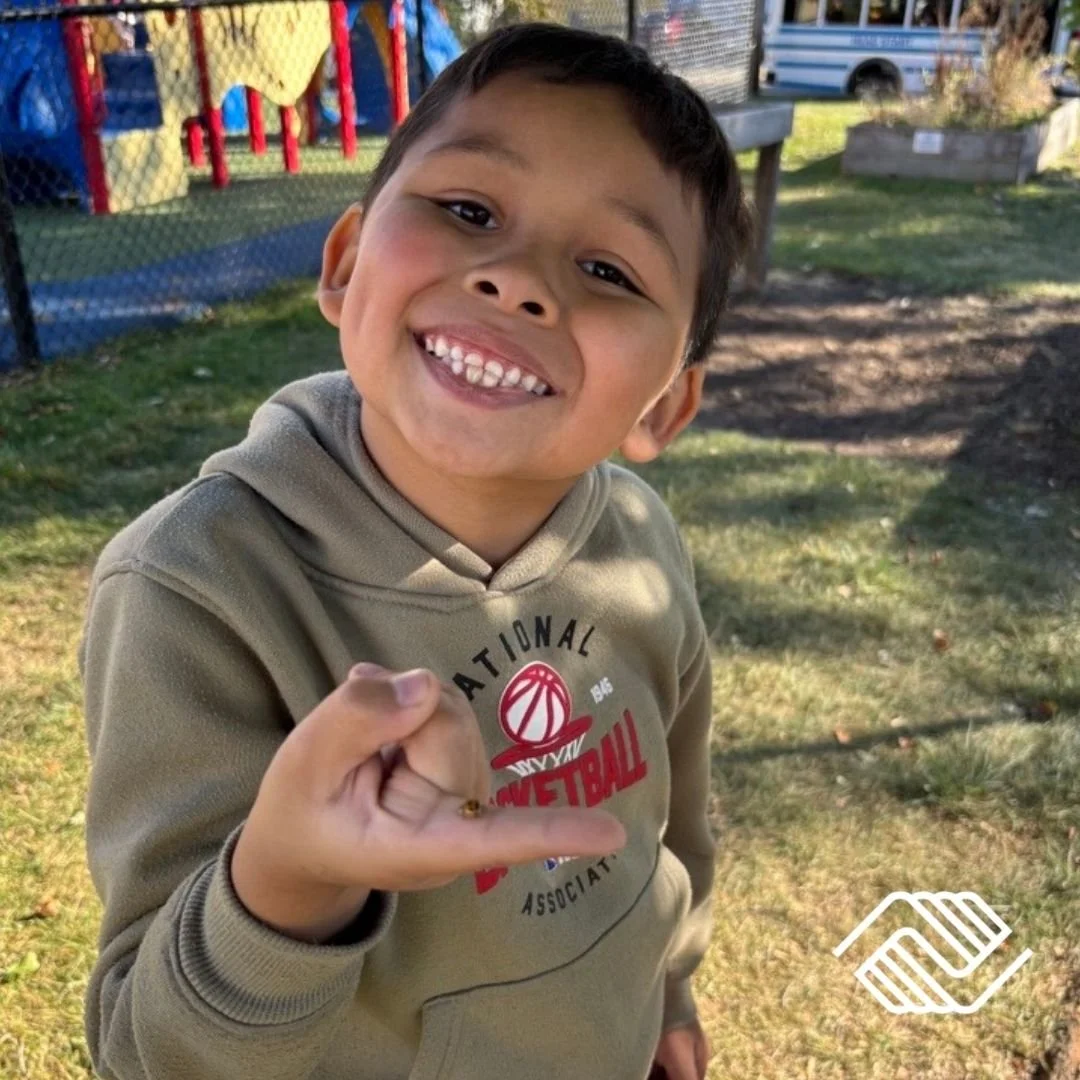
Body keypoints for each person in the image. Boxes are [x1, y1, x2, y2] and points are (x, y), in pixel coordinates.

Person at [77, 22, 752, 1080]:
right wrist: (288, 882)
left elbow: (672, 812)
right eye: (470, 210)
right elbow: (151, 1050)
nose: (520, 280)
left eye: (609, 269)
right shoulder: (196, 588)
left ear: (667, 403)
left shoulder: (642, 543)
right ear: (346, 264)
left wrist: (665, 987)